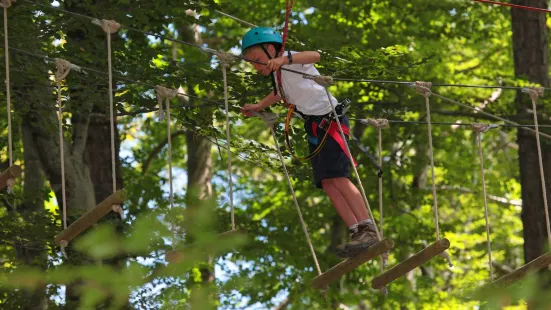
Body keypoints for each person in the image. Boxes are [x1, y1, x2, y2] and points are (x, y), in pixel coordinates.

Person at [239, 27, 379, 257]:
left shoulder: (292, 61)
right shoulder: (278, 75)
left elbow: (315, 55)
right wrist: (258, 106)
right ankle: (356, 231)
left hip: (330, 120)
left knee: (339, 177)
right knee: (327, 182)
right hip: (314, 126)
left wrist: (284, 59)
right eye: (251, 63)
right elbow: (279, 94)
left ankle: (368, 228)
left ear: (271, 49)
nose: (255, 66)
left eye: (257, 59)